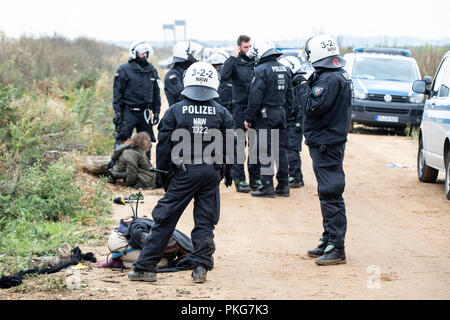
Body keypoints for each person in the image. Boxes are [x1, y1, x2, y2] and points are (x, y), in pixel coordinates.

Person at [128, 61, 234, 283]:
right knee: (205, 221)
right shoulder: (222, 112)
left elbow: (165, 146)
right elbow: (231, 145)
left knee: (165, 219)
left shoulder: (176, 110)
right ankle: (200, 267)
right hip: (210, 172)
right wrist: (227, 171)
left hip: (184, 172)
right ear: (214, 83)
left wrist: (163, 174)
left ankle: (145, 267)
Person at [296, 35, 353, 265]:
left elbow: (312, 108)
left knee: (330, 192)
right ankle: (329, 238)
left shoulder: (328, 79)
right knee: (327, 192)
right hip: (328, 140)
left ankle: (337, 247)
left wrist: (301, 89)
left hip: (327, 143)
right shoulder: (335, 75)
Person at [244, 40, 294, 198]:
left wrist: (249, 117)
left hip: (265, 115)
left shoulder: (261, 70)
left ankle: (267, 186)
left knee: (265, 151)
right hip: (281, 114)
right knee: (281, 151)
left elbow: (255, 97)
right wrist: (286, 113)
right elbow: (290, 96)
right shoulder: (285, 69)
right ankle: (284, 186)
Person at [220, 35, 261, 193]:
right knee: (238, 145)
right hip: (239, 108)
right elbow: (223, 75)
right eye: (245, 47)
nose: (248, 50)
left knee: (256, 145)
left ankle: (255, 178)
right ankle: (239, 179)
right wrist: (232, 57)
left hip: (254, 108)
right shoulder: (234, 62)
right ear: (239, 47)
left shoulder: (255, 62)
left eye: (250, 46)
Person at [113, 41, 161, 146]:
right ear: (134, 53)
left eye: (146, 53)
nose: (144, 55)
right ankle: (117, 162)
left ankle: (145, 162)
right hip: (128, 112)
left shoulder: (152, 70)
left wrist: (156, 111)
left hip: (145, 113)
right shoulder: (124, 69)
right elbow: (117, 92)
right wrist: (117, 112)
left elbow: (156, 93)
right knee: (122, 140)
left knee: (146, 143)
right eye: (141, 53)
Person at [278, 55, 305, 188]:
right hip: (290, 121)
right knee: (289, 149)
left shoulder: (298, 83)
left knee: (292, 150)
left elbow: (300, 106)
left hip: (295, 123)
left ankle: (295, 177)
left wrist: (299, 123)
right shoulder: (290, 82)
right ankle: (297, 175)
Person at [164, 41, 204, 107]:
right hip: (178, 115)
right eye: (193, 54)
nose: (195, 58)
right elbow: (183, 95)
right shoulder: (172, 76)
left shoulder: (190, 72)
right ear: (186, 55)